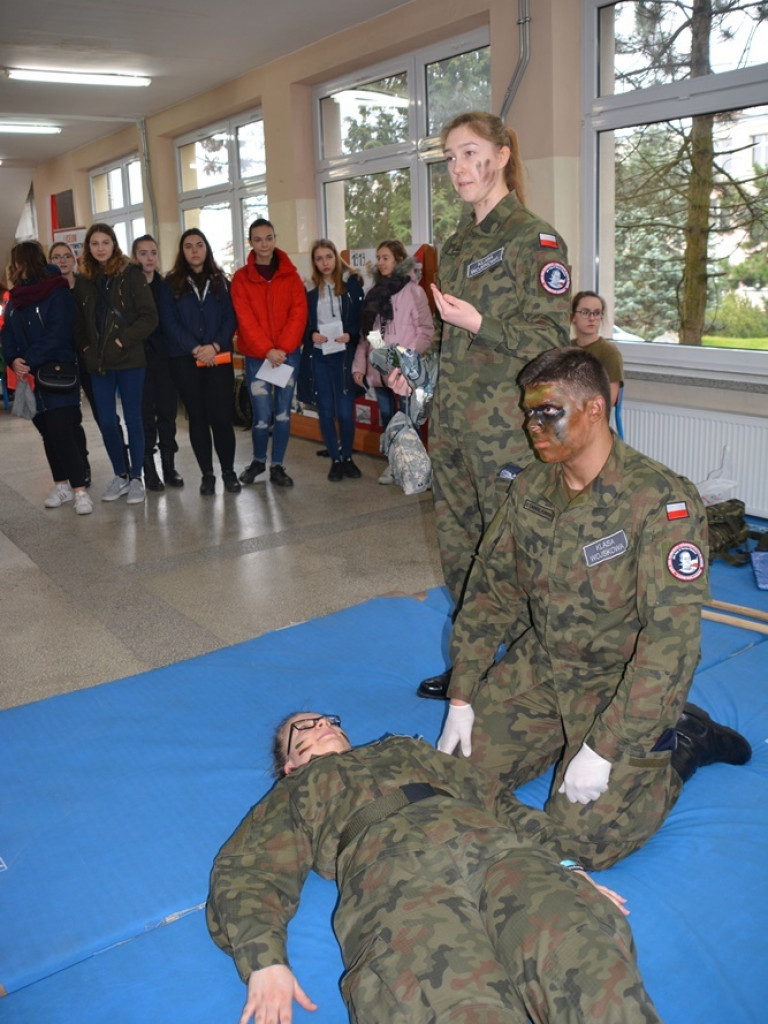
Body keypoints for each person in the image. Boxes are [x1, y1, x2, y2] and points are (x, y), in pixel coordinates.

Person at [437, 348, 751, 871]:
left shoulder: (661, 501)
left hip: (621, 686)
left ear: (594, 410)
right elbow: (492, 591)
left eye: (547, 411)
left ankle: (684, 742)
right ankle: (561, 742)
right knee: (447, 782)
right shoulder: (531, 487)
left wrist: (604, 747)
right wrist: (463, 693)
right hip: (542, 668)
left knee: (580, 840)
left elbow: (669, 644)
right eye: (527, 411)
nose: (530, 424)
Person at [207, 711, 664, 1024]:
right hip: (395, 880)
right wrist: (264, 961)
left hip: (494, 848)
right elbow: (249, 872)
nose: (323, 723)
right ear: (289, 763)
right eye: (304, 727)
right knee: (442, 1004)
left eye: (328, 719)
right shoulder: (294, 792)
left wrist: (566, 864)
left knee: (587, 962)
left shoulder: (404, 749)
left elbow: (497, 802)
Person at [413, 112, 571, 698]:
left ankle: (536, 675)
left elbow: (553, 337)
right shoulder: (454, 245)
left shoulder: (534, 238)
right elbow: (453, 340)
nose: (458, 168)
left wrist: (479, 321)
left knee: (517, 552)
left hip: (507, 428)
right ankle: (473, 664)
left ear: (503, 155)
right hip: (453, 425)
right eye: (450, 157)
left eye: (470, 152)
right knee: (460, 550)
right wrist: (421, 380)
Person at [2, 241, 92, 515]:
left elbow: (58, 333)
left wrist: (28, 359)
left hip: (56, 373)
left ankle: (80, 491)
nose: (13, 268)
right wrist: (12, 358)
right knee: (47, 433)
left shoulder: (57, 292)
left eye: (16, 262)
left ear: (26, 263)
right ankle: (62, 485)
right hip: (30, 377)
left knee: (62, 431)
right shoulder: (16, 298)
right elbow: (6, 334)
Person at [73, 223, 158, 505]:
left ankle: (136, 478)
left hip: (130, 360)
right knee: (107, 421)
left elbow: (149, 317)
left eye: (105, 242)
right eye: (95, 243)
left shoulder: (131, 274)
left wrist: (122, 341)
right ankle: (120, 474)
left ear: (114, 244)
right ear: (88, 248)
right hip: (99, 364)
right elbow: (79, 323)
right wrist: (86, 348)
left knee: (133, 419)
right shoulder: (84, 279)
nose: (100, 248)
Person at [158, 228, 240, 496]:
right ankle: (207, 474)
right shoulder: (170, 284)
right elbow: (169, 323)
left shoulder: (220, 281)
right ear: (182, 251)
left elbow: (230, 318)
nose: (195, 250)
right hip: (185, 359)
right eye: (189, 246)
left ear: (207, 249)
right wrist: (196, 348)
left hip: (218, 358)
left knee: (221, 417)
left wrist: (214, 346)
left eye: (199, 245)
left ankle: (228, 471)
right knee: (198, 416)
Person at [231, 218, 307, 489]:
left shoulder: (291, 275)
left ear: (275, 239)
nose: (264, 244)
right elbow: (245, 319)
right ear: (251, 242)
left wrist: (282, 349)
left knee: (283, 414)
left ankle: (277, 466)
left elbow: (299, 313)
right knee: (262, 415)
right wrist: (267, 350)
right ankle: (258, 461)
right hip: (257, 358)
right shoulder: (241, 278)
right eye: (258, 239)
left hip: (287, 357)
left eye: (269, 238)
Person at [353, 239, 433, 484]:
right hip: (381, 370)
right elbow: (368, 336)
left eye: (385, 257)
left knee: (409, 420)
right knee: (389, 421)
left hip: (406, 370)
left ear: (399, 259)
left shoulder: (413, 291)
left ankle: (417, 470)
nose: (380, 262)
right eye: (378, 257)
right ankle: (394, 466)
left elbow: (426, 330)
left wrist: (406, 360)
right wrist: (360, 365)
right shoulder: (373, 293)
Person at [303, 239, 365, 481]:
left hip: (344, 356)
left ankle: (348, 456)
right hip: (319, 357)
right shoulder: (309, 289)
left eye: (328, 257)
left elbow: (362, 320)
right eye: (319, 258)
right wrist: (311, 334)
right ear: (314, 262)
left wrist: (351, 334)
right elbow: (303, 323)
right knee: (326, 412)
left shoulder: (351, 286)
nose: (325, 263)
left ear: (336, 258)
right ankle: (335, 459)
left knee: (345, 412)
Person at [131, 235, 183, 490]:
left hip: (165, 360)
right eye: (143, 253)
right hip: (139, 361)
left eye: (153, 252)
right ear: (134, 256)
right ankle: (148, 469)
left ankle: (169, 466)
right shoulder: (128, 286)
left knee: (167, 414)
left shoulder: (166, 286)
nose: (149, 258)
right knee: (145, 417)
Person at [48, 240, 94, 486]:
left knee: (104, 415)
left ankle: (124, 468)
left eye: (67, 256)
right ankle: (81, 466)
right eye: (56, 257)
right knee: (71, 418)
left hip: (89, 358)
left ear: (74, 259)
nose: (62, 260)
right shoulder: (48, 291)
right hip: (62, 364)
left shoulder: (86, 286)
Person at [570, 291, 623, 408]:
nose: (592, 318)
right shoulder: (566, 349)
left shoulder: (609, 352)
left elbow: (609, 400)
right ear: (573, 317)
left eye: (597, 313)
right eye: (585, 312)